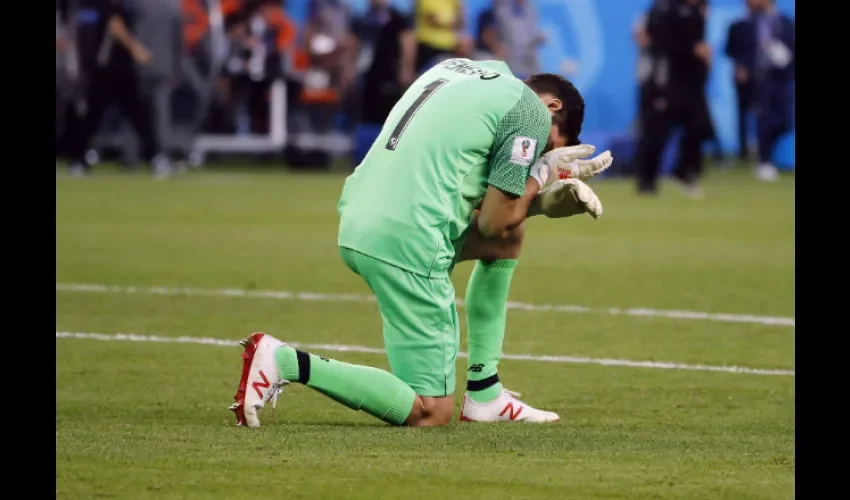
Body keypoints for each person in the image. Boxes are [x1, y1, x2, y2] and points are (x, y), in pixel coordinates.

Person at [229, 58, 613, 428]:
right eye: (545, 146)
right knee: (431, 411)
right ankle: (283, 360)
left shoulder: (460, 69)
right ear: (552, 107)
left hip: (358, 221)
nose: (534, 156)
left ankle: (484, 394)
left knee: (509, 241)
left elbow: (492, 219)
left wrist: (537, 200)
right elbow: (496, 219)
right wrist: (542, 177)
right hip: (407, 240)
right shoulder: (529, 111)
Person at [63, 0, 174, 179]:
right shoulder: (108, 4)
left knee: (113, 115)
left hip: (105, 66)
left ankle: (78, 160)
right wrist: (136, 49)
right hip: (109, 67)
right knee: (129, 115)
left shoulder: (87, 5)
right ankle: (157, 158)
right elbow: (115, 26)